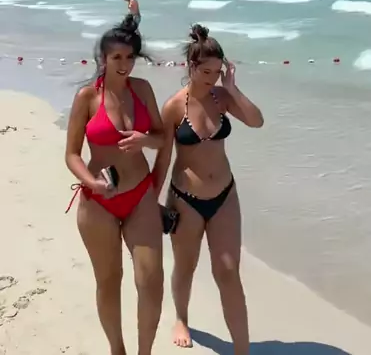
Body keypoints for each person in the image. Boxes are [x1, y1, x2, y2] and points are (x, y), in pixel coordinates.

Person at [152, 24, 264, 353]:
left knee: (228, 272)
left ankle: (242, 349)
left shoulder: (222, 97)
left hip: (225, 196)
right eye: (206, 72)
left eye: (217, 72)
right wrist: (151, 205)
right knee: (185, 266)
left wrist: (233, 88)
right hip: (185, 200)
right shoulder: (174, 107)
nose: (212, 78)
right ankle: (181, 318)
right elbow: (163, 159)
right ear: (190, 67)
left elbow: (256, 121)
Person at [65, 21, 165, 355]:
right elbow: (72, 154)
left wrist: (144, 139)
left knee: (151, 282)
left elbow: (162, 137)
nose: (124, 64)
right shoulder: (87, 97)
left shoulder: (143, 90)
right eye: (117, 57)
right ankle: (117, 350)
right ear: (103, 59)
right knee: (109, 281)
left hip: (140, 195)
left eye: (130, 57)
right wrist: (91, 181)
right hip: (98, 202)